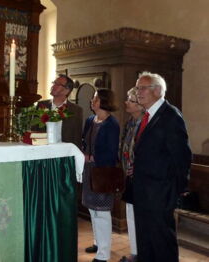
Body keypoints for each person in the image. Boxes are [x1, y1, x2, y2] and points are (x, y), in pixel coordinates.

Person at [133, 72, 192, 262]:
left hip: (160, 191)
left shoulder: (170, 116)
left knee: (161, 240)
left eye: (142, 88)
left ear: (157, 91)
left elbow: (182, 156)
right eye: (137, 88)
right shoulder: (148, 115)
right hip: (144, 189)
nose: (138, 92)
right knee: (145, 237)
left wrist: (178, 188)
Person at [82, 88, 120, 262]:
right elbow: (85, 142)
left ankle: (103, 254)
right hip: (89, 170)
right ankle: (97, 243)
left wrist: (91, 157)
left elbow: (111, 153)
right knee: (92, 210)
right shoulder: (91, 120)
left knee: (102, 212)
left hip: (103, 172)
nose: (92, 100)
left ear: (104, 101)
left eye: (95, 98)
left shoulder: (112, 124)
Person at [118, 87, 145, 262]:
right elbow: (125, 146)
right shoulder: (130, 121)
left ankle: (142, 253)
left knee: (141, 217)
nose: (126, 102)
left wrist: (136, 166)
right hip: (129, 175)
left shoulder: (146, 123)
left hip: (142, 178)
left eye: (130, 100)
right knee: (131, 214)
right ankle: (135, 252)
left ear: (140, 105)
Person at [37, 74, 82, 147]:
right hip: (43, 150)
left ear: (67, 90)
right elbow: (34, 130)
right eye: (54, 83)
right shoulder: (41, 105)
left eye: (57, 84)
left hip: (64, 152)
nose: (53, 86)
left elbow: (77, 137)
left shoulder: (76, 110)